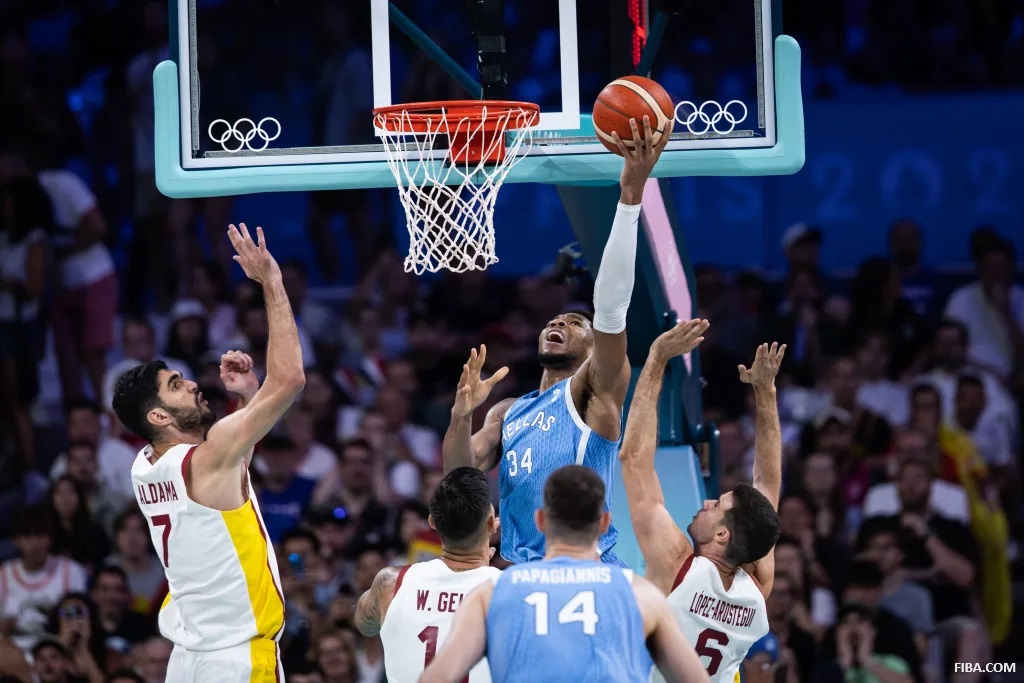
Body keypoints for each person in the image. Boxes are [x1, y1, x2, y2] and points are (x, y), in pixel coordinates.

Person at [442, 117, 674, 565]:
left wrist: (629, 200)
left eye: (573, 321)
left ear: (592, 346)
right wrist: (459, 416)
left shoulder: (594, 391)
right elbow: (459, 471)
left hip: (587, 565)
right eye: (555, 320)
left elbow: (609, 313)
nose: (560, 323)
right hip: (518, 568)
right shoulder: (508, 411)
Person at [111, 223, 305, 682]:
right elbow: (292, 379)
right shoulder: (207, 457)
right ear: (158, 418)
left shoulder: (145, 466)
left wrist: (247, 399)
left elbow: (226, 476)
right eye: (175, 387)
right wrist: (272, 283)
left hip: (188, 660)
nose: (193, 383)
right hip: (236, 658)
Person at [419, 465, 710, 683]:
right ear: (605, 522)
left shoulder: (492, 593)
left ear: (540, 520)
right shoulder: (642, 596)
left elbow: (437, 678)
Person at [619, 326, 785, 683]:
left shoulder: (677, 564)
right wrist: (765, 392)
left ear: (723, 534)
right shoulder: (757, 586)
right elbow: (767, 486)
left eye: (718, 505)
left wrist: (656, 361)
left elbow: (633, 458)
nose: (708, 501)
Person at [353, 467, 500, 682]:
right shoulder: (509, 591)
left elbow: (364, 624)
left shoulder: (391, 584)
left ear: (432, 522)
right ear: (491, 524)